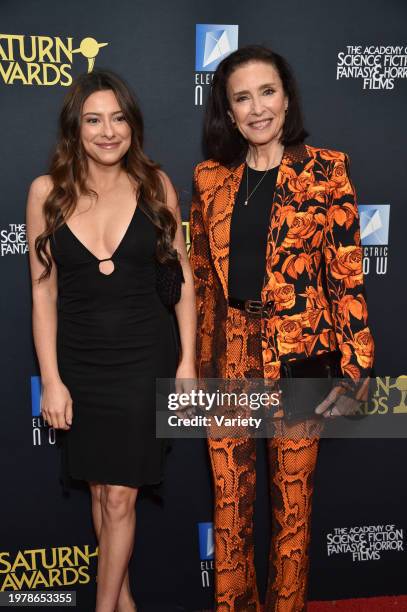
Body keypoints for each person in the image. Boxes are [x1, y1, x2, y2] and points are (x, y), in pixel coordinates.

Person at [190, 45, 374, 611]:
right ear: (228, 110)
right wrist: (197, 367)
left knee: (293, 515)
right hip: (229, 360)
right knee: (229, 511)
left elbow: (346, 276)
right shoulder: (209, 180)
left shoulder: (327, 170)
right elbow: (201, 283)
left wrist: (359, 363)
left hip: (301, 356)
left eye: (266, 92)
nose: (257, 108)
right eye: (241, 98)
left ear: (286, 97)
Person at [26, 70, 196, 612]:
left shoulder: (156, 186)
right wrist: (51, 380)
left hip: (144, 357)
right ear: (76, 128)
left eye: (118, 118)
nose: (107, 131)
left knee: (121, 495)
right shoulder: (46, 193)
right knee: (101, 495)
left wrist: (188, 361)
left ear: (132, 125)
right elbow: (42, 297)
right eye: (94, 119)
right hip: (80, 363)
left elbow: (183, 281)